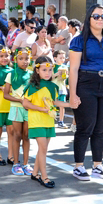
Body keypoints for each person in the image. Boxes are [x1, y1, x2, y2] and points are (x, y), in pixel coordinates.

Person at [68, 4, 103, 181]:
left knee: (100, 128)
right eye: (96, 16)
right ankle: (79, 166)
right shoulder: (79, 40)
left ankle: (97, 165)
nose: (100, 19)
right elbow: (73, 69)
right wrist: (73, 94)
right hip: (85, 83)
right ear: (89, 18)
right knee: (85, 127)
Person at [22, 57, 68, 188]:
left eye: (50, 70)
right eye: (44, 70)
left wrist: (70, 104)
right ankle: (44, 177)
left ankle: (35, 173)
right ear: (37, 70)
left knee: (43, 149)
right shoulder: (33, 86)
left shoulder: (53, 86)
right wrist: (41, 109)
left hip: (49, 120)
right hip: (36, 121)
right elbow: (25, 103)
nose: (47, 73)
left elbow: (54, 102)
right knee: (43, 149)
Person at [4, 48, 32, 176]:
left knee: (26, 136)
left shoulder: (32, 74)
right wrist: (20, 101)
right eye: (21, 59)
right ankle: (16, 163)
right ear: (15, 60)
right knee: (17, 135)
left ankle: (26, 164)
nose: (24, 61)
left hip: (29, 109)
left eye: (27, 58)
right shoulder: (11, 74)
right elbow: (6, 94)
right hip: (16, 108)